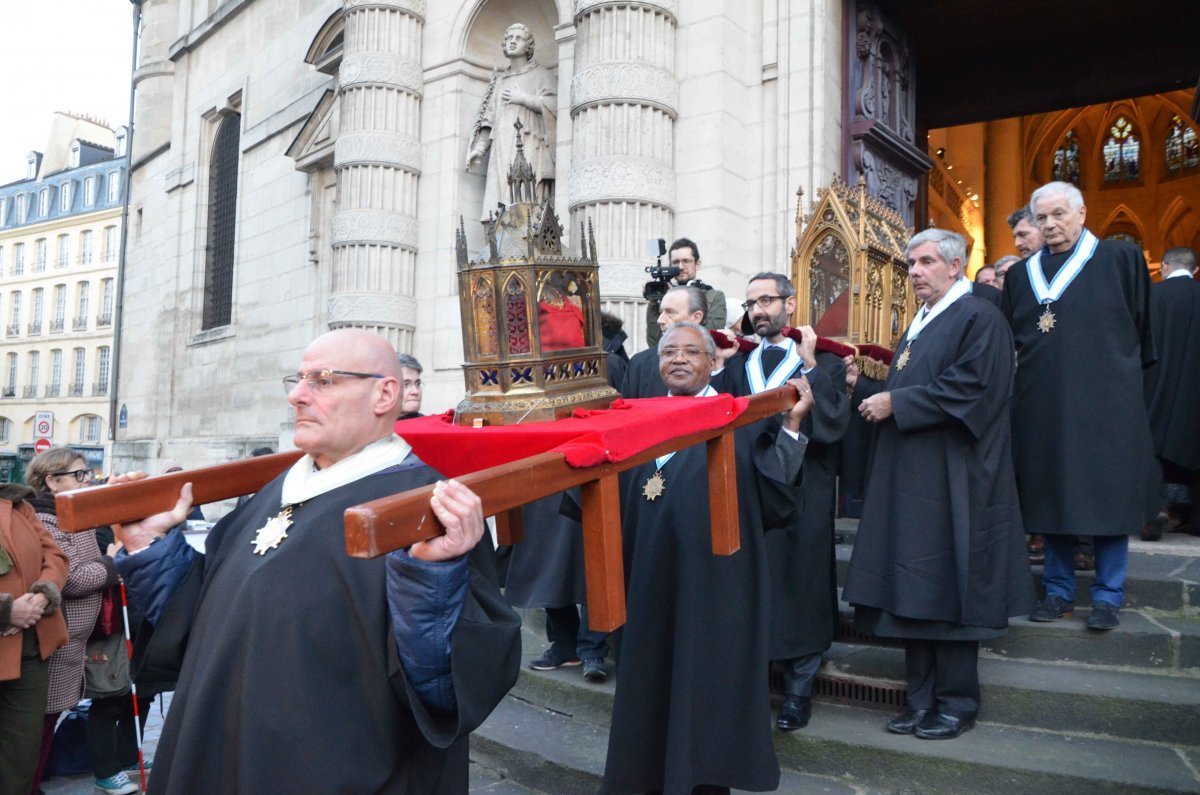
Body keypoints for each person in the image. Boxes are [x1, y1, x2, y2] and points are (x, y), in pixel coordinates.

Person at [110, 329, 521, 793]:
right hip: (217, 751)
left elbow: (444, 688)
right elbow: (198, 621)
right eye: (299, 379)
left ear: (384, 394)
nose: (297, 396)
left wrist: (432, 574)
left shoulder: (423, 506)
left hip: (329, 767)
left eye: (323, 380)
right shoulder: (277, 489)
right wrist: (151, 548)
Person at [592, 321, 813, 794]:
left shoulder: (739, 420)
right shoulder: (636, 422)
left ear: (714, 362)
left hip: (713, 590)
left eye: (691, 352)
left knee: (704, 698)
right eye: (668, 352)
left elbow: (779, 505)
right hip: (646, 585)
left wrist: (792, 430)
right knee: (647, 694)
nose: (677, 360)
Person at [844, 228, 1031, 741]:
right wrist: (869, 390)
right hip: (912, 481)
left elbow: (973, 388)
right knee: (913, 590)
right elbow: (914, 384)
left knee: (950, 592)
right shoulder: (922, 321)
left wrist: (896, 404)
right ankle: (920, 698)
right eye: (911, 263)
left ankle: (955, 703)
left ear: (956, 266)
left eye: (926, 262)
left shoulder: (980, 317)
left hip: (956, 480)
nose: (916, 272)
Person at [1002, 181, 1156, 631]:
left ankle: (1108, 595)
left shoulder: (1120, 259)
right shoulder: (1019, 276)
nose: (1050, 225)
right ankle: (1058, 592)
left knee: (1107, 496)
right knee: (1053, 495)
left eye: (1058, 214)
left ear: (1082, 213)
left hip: (1108, 402)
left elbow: (1144, 330)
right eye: (1042, 217)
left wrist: (1126, 383)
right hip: (1043, 405)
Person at [720, 273, 848, 731]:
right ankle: (752, 685)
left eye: (767, 300)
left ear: (790, 304)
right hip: (750, 492)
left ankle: (798, 692)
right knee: (754, 584)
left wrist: (811, 367)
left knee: (802, 583)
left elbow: (834, 427)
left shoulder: (823, 363)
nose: (758, 310)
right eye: (752, 302)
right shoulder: (738, 365)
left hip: (804, 491)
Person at [23, 448, 120, 793]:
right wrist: (112, 563)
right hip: (53, 640)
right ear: (51, 480)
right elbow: (72, 579)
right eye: (78, 474)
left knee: (45, 725)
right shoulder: (47, 520)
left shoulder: (75, 512)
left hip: (71, 641)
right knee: (37, 727)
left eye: (87, 473)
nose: (87, 479)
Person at [0, 482, 68, 795]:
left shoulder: (17, 504)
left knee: (21, 759)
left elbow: (55, 557)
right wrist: (5, 611)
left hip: (28, 651)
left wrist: (42, 596)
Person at [465, 22, 556, 219]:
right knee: (498, 203)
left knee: (525, 203)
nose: (512, 41)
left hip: (530, 144)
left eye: (519, 38)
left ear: (528, 46)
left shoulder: (541, 75)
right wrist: (479, 150)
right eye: (509, 38)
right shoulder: (499, 82)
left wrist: (522, 98)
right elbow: (489, 120)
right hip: (501, 148)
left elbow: (554, 106)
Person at [1142, 247, 1200, 540]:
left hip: (1156, 382)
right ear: (1195, 270)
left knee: (1150, 444)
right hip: (1195, 388)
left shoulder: (1153, 296)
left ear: (1163, 266)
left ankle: (1155, 507)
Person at [621, 284, 707, 399]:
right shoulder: (639, 364)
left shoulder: (723, 365)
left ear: (696, 317)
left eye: (670, 312)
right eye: (661, 312)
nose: (659, 320)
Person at [644, 238, 727, 348]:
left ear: (697, 264)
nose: (681, 267)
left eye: (686, 261)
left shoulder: (714, 296)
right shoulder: (665, 296)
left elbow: (710, 337)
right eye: (675, 262)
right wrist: (653, 304)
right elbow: (654, 343)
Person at [397, 352, 424, 420]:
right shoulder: (370, 428)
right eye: (406, 384)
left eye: (418, 384)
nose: (415, 392)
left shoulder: (432, 428)